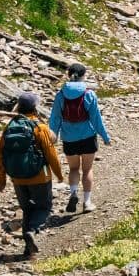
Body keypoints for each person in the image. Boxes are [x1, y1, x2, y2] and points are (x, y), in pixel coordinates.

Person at [0, 92, 62, 259]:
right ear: (35, 107)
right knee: (44, 207)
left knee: (26, 209)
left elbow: (0, 154)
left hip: (17, 177)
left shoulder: (9, 126)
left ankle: (28, 250)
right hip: (40, 176)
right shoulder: (40, 127)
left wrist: (2, 179)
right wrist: (59, 174)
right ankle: (32, 231)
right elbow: (51, 154)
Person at [52, 62, 111, 213]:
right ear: (84, 76)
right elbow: (96, 119)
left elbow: (55, 118)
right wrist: (105, 136)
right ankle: (87, 202)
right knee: (87, 169)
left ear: (68, 75)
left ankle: (73, 194)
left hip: (69, 138)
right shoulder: (89, 94)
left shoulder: (60, 95)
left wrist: (53, 137)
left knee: (73, 168)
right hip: (87, 137)